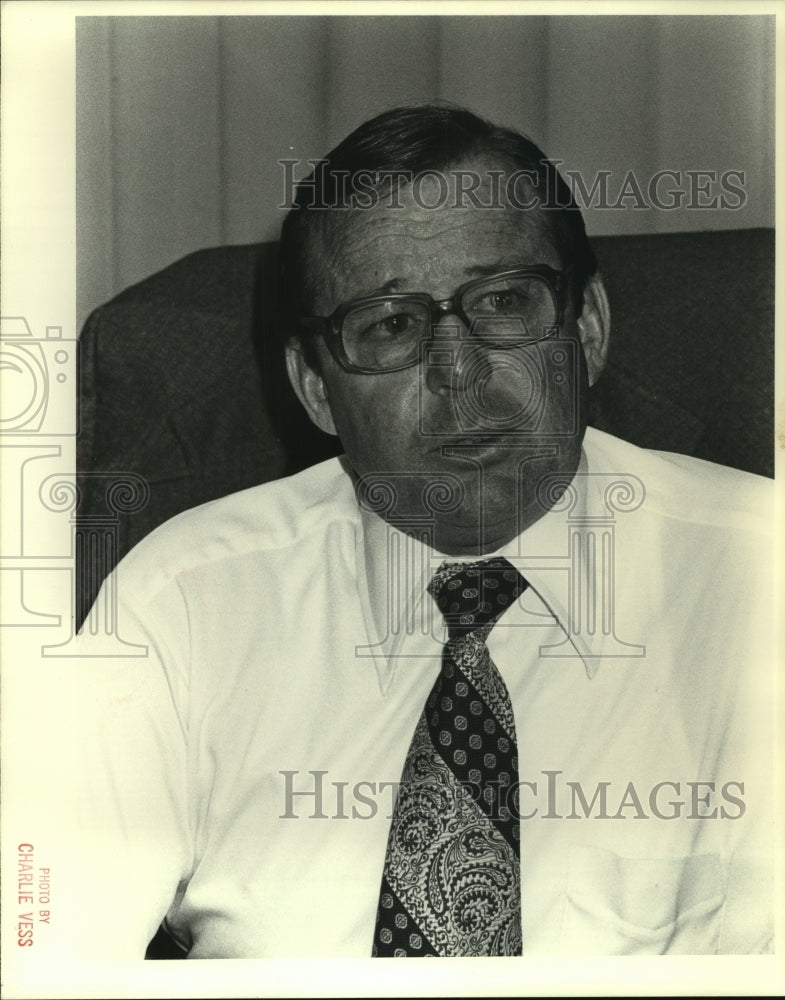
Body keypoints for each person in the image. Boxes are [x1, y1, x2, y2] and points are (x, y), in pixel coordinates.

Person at [50, 105, 773, 959]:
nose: (457, 371)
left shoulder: (760, 577)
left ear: (585, 329)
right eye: (390, 323)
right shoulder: (180, 602)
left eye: (503, 302)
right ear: (315, 388)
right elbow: (46, 955)